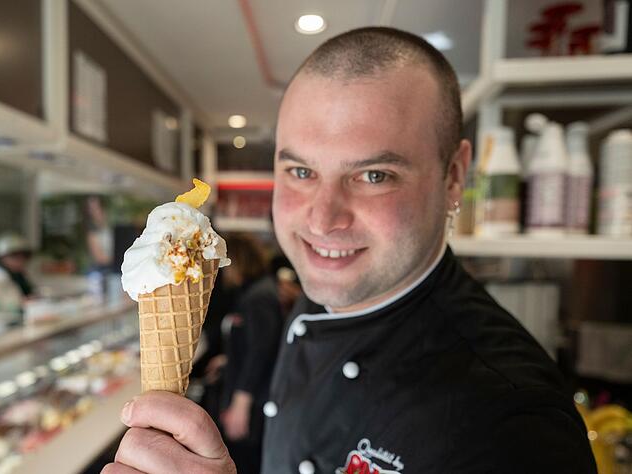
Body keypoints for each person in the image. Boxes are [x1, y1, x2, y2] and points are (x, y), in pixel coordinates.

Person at [103, 27, 596, 474]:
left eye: (374, 176)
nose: (321, 220)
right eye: (300, 171)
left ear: (453, 177)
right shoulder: (327, 288)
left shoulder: (514, 427)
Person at [216, 234, 284, 474]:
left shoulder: (258, 298)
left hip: (253, 404)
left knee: (244, 462)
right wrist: (227, 359)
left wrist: (240, 405)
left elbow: (261, 352)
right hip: (250, 396)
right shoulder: (257, 291)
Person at [0, 233, 35, 317]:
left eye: (23, 258)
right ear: (2, 258)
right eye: (15, 257)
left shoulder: (17, 277)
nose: (20, 262)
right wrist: (21, 304)